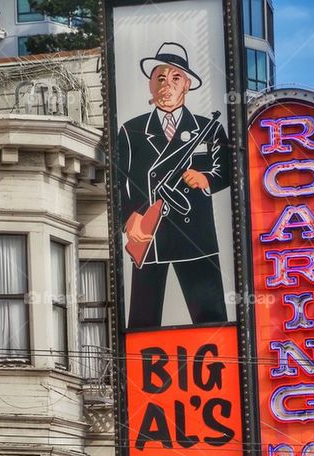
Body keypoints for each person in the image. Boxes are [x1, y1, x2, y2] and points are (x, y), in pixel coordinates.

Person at [116, 41, 231, 329]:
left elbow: (230, 170)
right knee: (142, 324)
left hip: (196, 237)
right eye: (160, 78)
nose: (167, 85)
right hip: (150, 236)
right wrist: (130, 222)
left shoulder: (210, 127)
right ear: (151, 85)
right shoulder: (131, 130)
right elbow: (120, 184)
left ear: (187, 85)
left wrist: (206, 179)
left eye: (175, 78)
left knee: (212, 324)